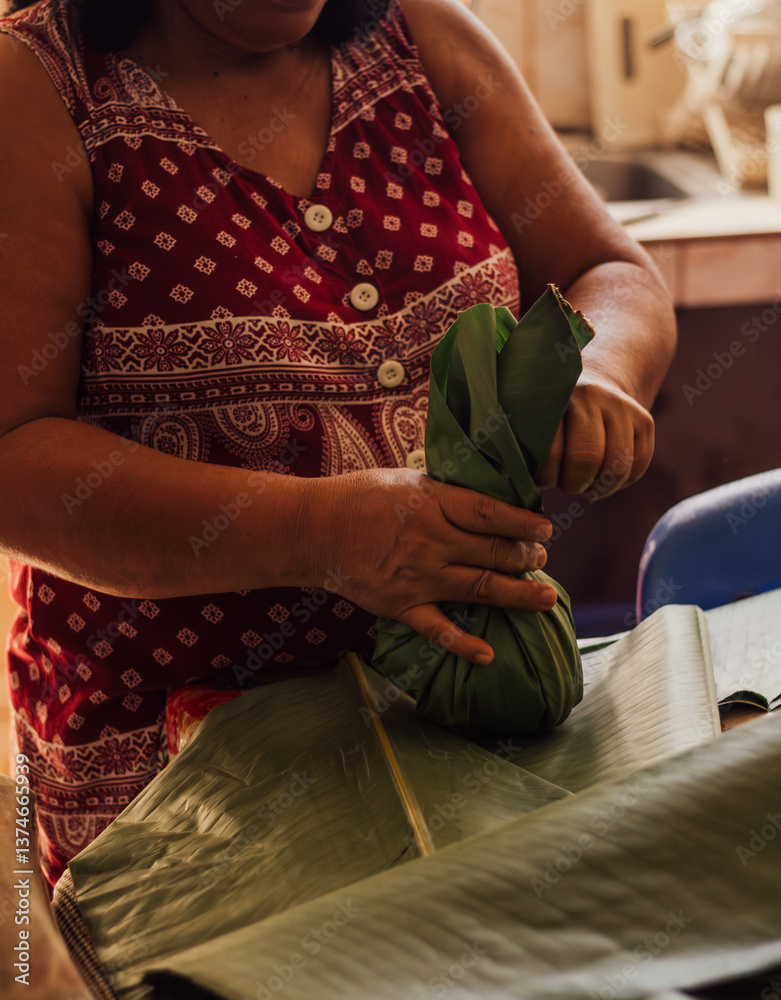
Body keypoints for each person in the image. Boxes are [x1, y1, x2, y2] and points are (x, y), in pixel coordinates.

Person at [0, 0, 676, 888]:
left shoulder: (422, 36)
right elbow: (15, 458)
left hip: (460, 725)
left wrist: (602, 371)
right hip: (176, 778)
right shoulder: (36, 87)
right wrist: (325, 533)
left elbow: (611, 272)